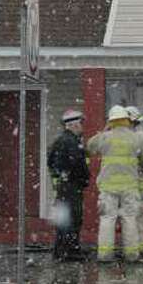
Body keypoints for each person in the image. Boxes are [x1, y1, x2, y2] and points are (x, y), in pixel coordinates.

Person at [87, 105, 143, 263]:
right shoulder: (137, 138)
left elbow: (89, 148)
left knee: (107, 219)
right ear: (127, 120)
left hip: (108, 187)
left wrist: (105, 129)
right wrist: (139, 168)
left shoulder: (104, 138)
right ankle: (131, 255)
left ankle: (105, 255)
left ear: (111, 121)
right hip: (130, 186)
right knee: (129, 218)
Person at [46, 108, 90, 261]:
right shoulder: (71, 142)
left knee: (64, 219)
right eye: (80, 123)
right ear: (74, 125)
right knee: (73, 218)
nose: (82, 127)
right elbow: (77, 164)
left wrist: (59, 175)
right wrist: (83, 178)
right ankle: (70, 251)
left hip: (63, 187)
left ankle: (60, 251)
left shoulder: (61, 140)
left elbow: (51, 161)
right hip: (71, 187)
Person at [125, 106, 143, 243]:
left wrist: (137, 170)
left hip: (138, 180)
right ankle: (136, 244)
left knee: (136, 213)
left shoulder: (139, 136)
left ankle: (136, 244)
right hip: (135, 180)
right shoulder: (136, 135)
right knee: (135, 213)